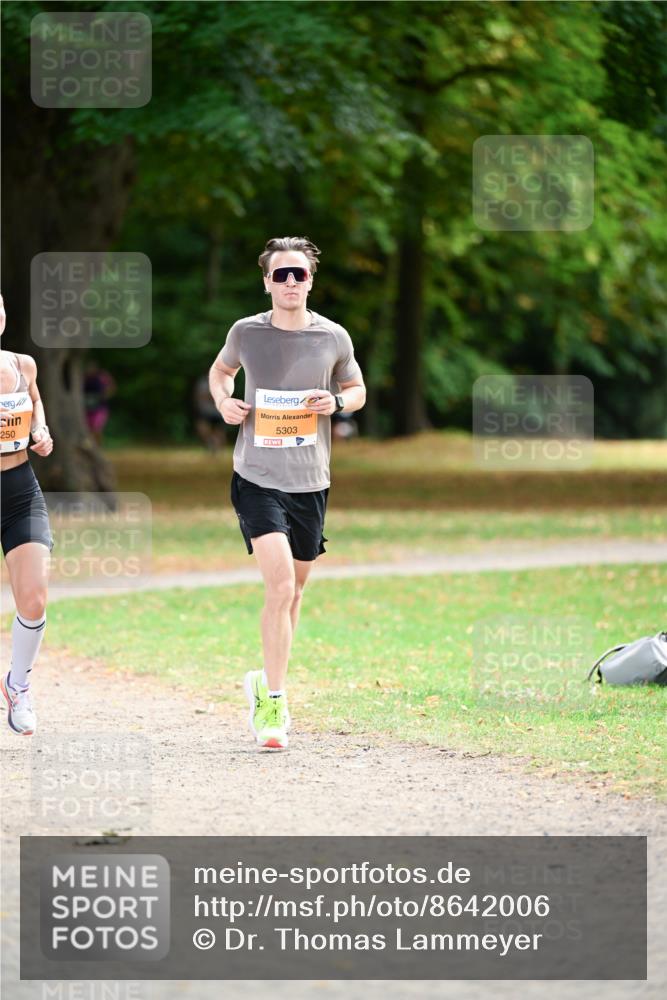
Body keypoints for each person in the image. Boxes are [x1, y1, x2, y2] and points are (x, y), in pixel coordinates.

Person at [209, 237, 366, 750]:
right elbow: (221, 371)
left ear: (311, 280)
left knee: (295, 592)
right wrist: (224, 402)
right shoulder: (247, 332)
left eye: (299, 274)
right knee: (278, 588)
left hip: (311, 480)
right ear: (267, 282)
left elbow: (358, 391)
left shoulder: (333, 337)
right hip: (256, 475)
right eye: (282, 275)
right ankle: (273, 703)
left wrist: (337, 402)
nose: (291, 282)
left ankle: (265, 679)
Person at [0, 292, 55, 735]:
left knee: (34, 596)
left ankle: (18, 685)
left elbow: (35, 404)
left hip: (20, 490)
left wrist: (41, 430)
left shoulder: (23, 364)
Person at [83, 360, 116, 445]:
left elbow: (111, 388)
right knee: (88, 429)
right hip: (87, 408)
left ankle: (97, 447)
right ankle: (91, 446)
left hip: (99, 407)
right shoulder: (83, 378)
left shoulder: (102, 377)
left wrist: (103, 396)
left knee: (96, 428)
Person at [193, 373, 227, 453]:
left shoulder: (221, 381)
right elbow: (199, 396)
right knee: (203, 429)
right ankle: (212, 444)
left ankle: (217, 449)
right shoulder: (203, 382)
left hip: (217, 412)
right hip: (205, 411)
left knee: (219, 432)